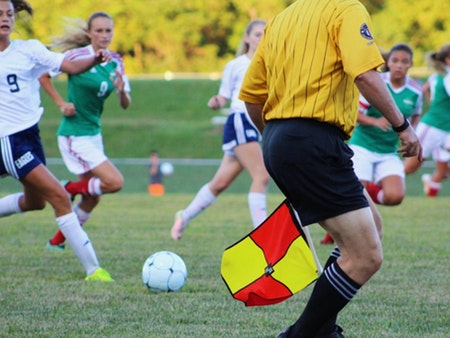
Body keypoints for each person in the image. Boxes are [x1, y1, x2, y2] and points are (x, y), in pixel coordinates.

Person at [239, 1, 422, 337]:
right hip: (314, 140)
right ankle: (301, 334)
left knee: (371, 231)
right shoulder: (346, 9)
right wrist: (403, 126)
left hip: (283, 138)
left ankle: (321, 329)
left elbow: (252, 95)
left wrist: (277, 141)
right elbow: (365, 75)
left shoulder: (280, 19)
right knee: (366, 256)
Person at [0, 0, 113, 281]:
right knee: (61, 198)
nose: (5, 18)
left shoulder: (29, 49)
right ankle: (94, 270)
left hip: (30, 137)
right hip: (8, 141)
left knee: (34, 202)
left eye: (9, 13)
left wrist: (95, 59)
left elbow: (70, 67)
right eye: (0, 14)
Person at [39, 12, 131, 251]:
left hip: (93, 134)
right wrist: (61, 103)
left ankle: (56, 242)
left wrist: (122, 91)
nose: (104, 35)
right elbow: (43, 76)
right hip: (74, 135)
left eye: (108, 31)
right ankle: (66, 189)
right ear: (89, 33)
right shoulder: (77, 56)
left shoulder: (116, 61)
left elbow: (125, 103)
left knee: (92, 197)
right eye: (98, 31)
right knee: (114, 182)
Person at [171, 19, 270, 240]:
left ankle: (184, 215)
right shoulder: (236, 65)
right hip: (240, 120)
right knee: (262, 176)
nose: (261, 38)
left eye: (265, 34)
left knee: (220, 183)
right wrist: (216, 101)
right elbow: (224, 96)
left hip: (257, 124)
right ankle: (263, 236)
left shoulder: (273, 63)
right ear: (246, 38)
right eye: (257, 34)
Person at [321, 43, 423, 245]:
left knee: (395, 197)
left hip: (388, 151)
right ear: (388, 63)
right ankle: (335, 233)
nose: (399, 66)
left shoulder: (415, 91)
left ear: (411, 64)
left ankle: (368, 189)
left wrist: (411, 134)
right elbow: (355, 114)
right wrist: (376, 121)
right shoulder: (377, 83)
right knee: (356, 194)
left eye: (405, 62)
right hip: (363, 147)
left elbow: (416, 114)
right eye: (395, 61)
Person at [404, 44, 450, 197]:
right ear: (448, 60)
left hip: (446, 128)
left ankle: (431, 192)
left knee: (443, 169)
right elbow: (423, 90)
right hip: (433, 126)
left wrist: (435, 102)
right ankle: (377, 185)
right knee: (411, 167)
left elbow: (425, 89)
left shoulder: (439, 75)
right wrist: (436, 108)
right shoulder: (446, 76)